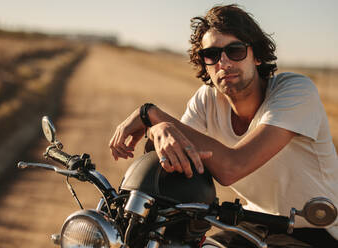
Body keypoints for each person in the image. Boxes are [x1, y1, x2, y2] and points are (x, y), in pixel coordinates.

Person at [109, 4, 338, 247]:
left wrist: (153, 115)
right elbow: (176, 154)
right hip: (254, 222)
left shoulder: (295, 91)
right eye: (212, 55)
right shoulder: (207, 99)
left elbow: (233, 166)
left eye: (235, 50)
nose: (224, 63)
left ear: (257, 55)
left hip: (319, 230)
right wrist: (158, 129)